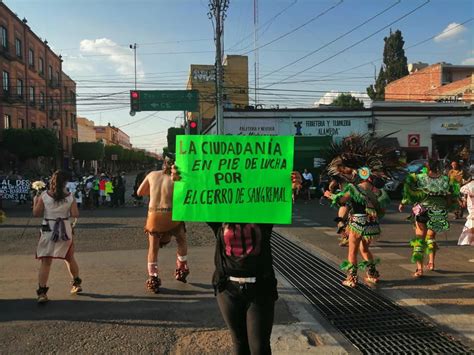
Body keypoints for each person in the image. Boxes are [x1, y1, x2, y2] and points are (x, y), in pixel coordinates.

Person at [171, 165, 299, 355]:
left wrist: (292, 184)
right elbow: (195, 199)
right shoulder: (219, 218)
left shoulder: (263, 215)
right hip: (228, 289)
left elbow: (279, 197)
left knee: (259, 348)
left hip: (260, 289)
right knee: (239, 346)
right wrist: (180, 180)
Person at [323, 134, 398, 287]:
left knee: (352, 251)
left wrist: (329, 194)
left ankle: (351, 279)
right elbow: (382, 205)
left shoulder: (353, 188)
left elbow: (341, 201)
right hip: (372, 223)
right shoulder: (375, 189)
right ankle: (372, 274)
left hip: (358, 221)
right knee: (364, 249)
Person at [399, 160, 460, 277]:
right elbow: (453, 194)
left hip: (423, 211)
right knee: (431, 237)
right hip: (438, 212)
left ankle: (419, 269)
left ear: (427, 167)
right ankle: (431, 263)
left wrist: (403, 202)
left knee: (419, 239)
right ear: (438, 167)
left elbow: (410, 193)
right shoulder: (445, 179)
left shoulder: (420, 178)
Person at [137, 155, 189, 293]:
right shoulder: (177, 178)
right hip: (172, 215)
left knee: (153, 249)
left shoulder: (152, 175)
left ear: (163, 164)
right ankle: (181, 268)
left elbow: (140, 192)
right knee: (181, 240)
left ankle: (153, 277)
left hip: (154, 215)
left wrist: (154, 192)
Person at [32, 170, 82, 303]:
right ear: (65, 182)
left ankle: (42, 292)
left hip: (48, 227)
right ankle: (76, 283)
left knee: (46, 262)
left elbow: (36, 213)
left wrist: (35, 200)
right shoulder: (70, 196)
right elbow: (75, 214)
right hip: (64, 228)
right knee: (69, 258)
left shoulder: (44, 195)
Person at [458, 165, 474, 246]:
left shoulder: (468, 185)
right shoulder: (468, 185)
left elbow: (462, 190)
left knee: (471, 229)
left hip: (472, 210)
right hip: (472, 210)